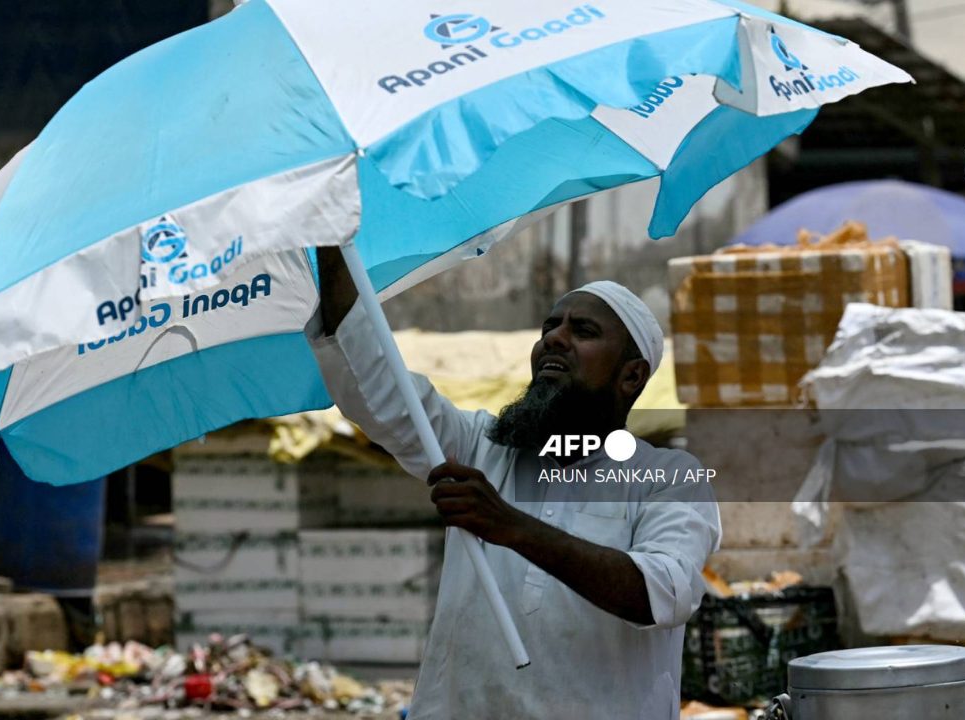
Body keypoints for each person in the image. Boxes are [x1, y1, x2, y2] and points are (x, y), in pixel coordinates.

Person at [308, 247, 721, 720]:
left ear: (631, 377)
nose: (555, 339)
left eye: (582, 331)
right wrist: (332, 241)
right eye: (550, 327)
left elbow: (662, 593)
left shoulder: (668, 477)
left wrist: (513, 527)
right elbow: (374, 380)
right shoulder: (482, 447)